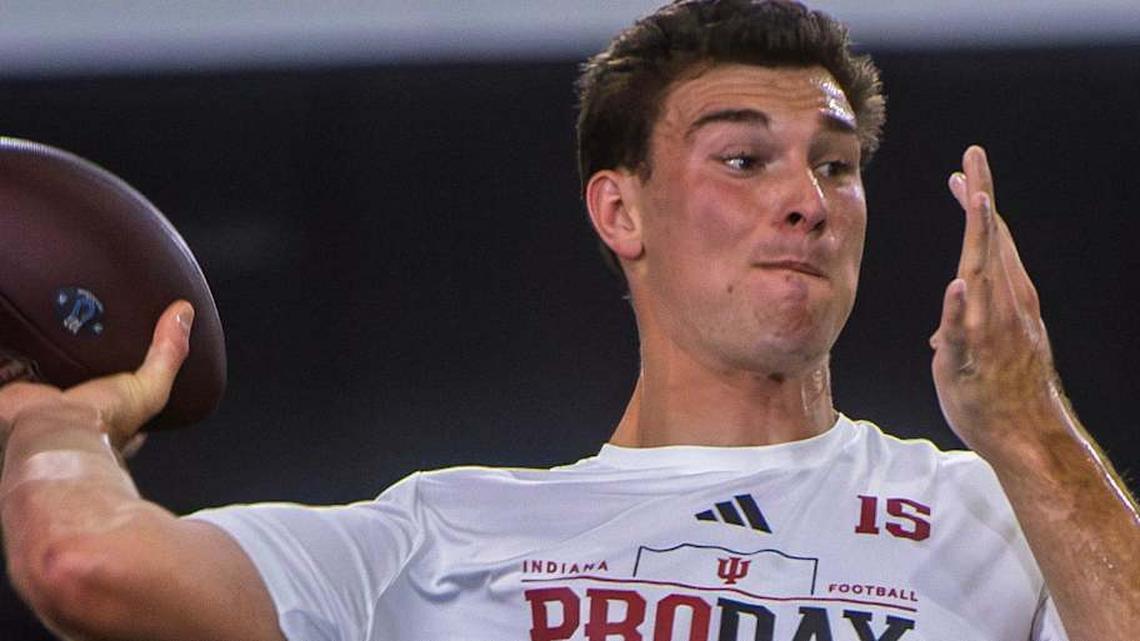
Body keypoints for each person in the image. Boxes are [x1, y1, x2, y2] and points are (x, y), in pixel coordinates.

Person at [2, 1, 1136, 639]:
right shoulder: (440, 539)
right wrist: (52, 418)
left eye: (836, 166)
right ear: (620, 208)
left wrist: (1030, 427)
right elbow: (85, 561)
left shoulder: (990, 513)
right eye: (744, 158)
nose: (806, 197)